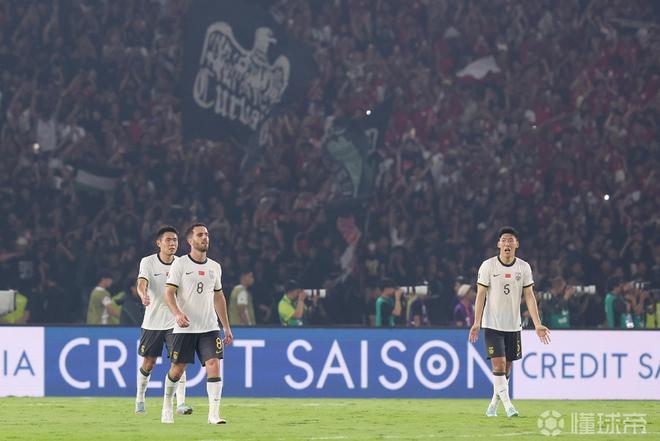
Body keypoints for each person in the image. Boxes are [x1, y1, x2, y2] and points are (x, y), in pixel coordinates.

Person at [468, 226, 550, 418]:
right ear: (498, 244)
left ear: (517, 244)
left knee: (506, 368)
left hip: (513, 325)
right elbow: (481, 294)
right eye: (504, 240)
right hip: (492, 324)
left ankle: (493, 404)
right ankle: (508, 406)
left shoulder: (523, 267)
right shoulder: (488, 266)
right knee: (499, 365)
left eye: (510, 240)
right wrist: (477, 322)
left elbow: (529, 296)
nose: (507, 243)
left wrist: (537, 324)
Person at [161, 223, 233, 425]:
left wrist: (226, 326)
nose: (205, 238)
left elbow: (219, 297)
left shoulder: (215, 267)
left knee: (214, 364)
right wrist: (177, 314)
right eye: (200, 235)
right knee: (177, 369)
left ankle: (213, 415)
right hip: (185, 328)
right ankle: (167, 405)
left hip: (209, 327)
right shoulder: (180, 265)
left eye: (207, 234)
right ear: (190, 241)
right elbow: (169, 293)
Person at [134, 226, 192, 416]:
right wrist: (143, 295)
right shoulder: (148, 262)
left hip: (175, 321)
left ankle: (181, 403)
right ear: (158, 243)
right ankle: (140, 399)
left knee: (179, 362)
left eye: (175, 240)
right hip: (153, 321)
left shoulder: (182, 264)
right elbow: (141, 283)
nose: (172, 243)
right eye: (168, 240)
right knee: (149, 362)